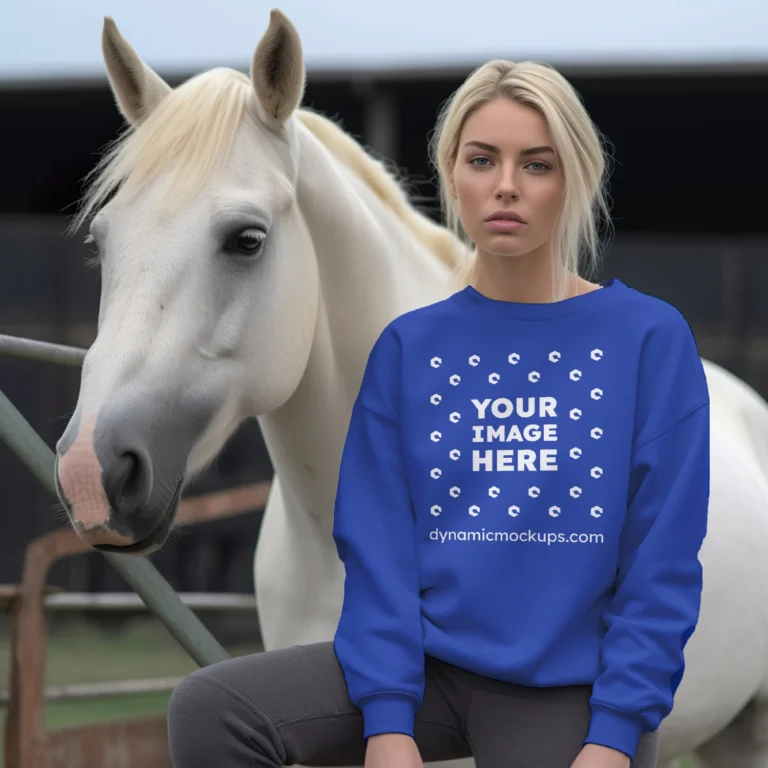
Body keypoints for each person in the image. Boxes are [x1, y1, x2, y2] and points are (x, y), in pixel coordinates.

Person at [167, 59, 710, 768]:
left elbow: (661, 563)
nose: (506, 185)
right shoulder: (409, 348)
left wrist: (613, 738)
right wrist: (389, 726)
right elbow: (380, 548)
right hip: (431, 672)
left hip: (569, 690)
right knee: (211, 712)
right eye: (482, 159)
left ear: (575, 177)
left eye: (537, 164)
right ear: (452, 171)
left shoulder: (648, 338)